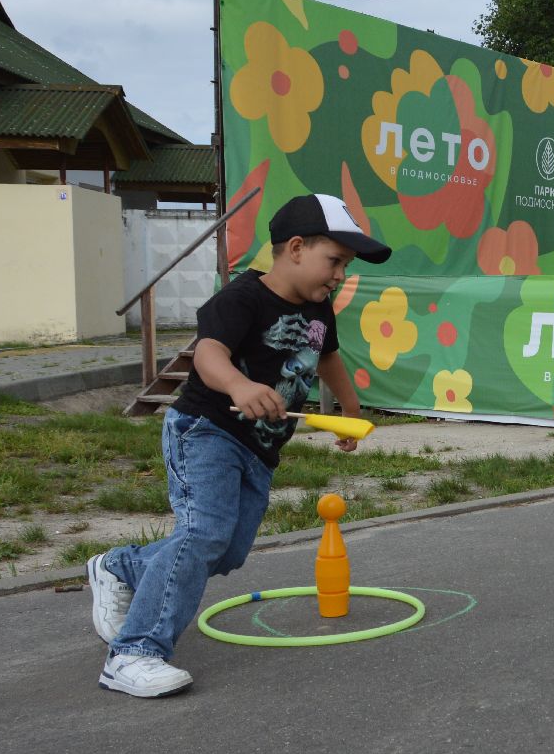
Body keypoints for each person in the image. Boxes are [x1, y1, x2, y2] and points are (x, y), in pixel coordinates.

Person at [86, 194, 392, 697]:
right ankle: (135, 652)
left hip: (259, 449)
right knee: (204, 533)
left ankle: (121, 566)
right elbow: (208, 354)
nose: (339, 274)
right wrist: (240, 387)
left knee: (226, 552)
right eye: (334, 260)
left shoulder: (319, 308)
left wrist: (350, 412)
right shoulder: (241, 299)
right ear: (295, 247)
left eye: (345, 265)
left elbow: (328, 358)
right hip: (206, 430)